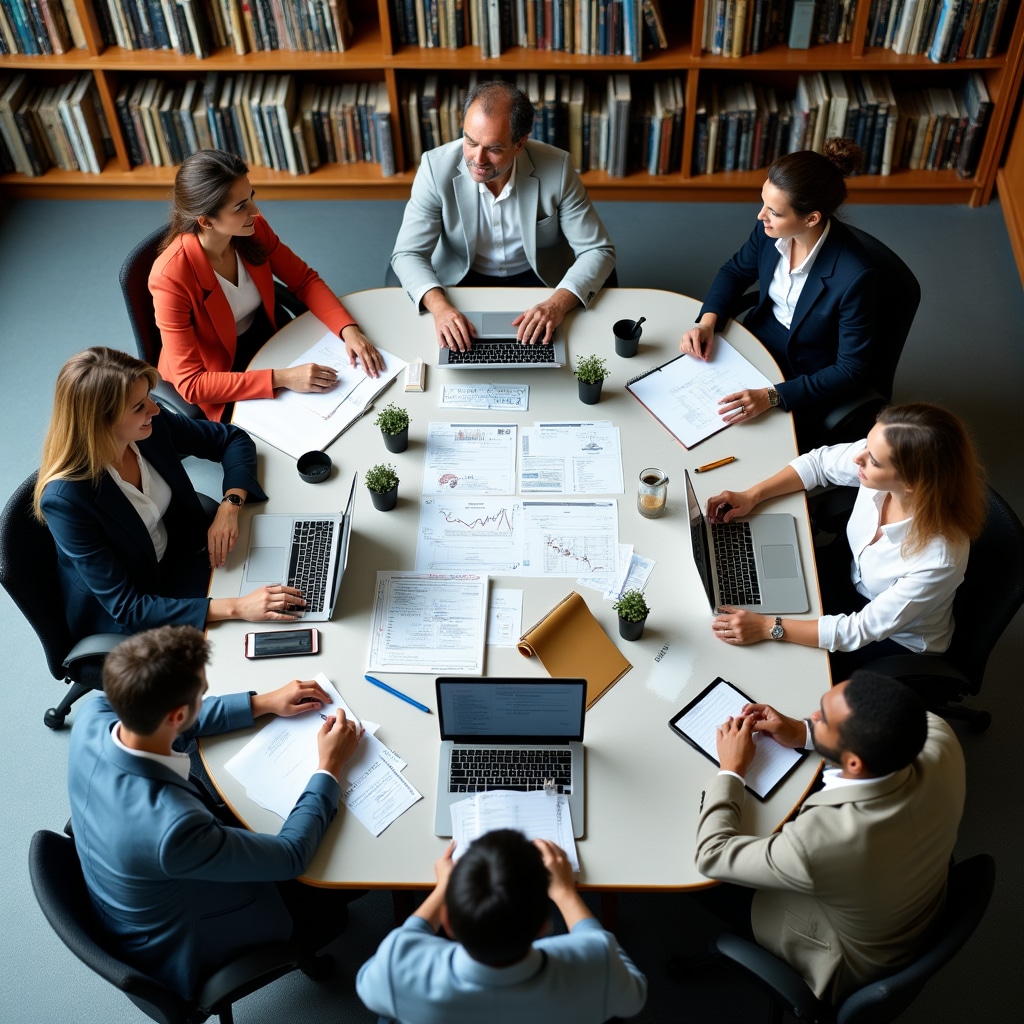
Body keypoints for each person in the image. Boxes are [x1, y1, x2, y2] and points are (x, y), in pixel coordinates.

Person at [68, 625, 364, 999]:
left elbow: (171, 720)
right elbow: (291, 857)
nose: (204, 698)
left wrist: (263, 702)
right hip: (197, 941)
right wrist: (329, 767)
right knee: (351, 874)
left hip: (133, 883)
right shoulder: (174, 828)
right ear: (178, 714)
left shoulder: (95, 714)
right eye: (201, 694)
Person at [690, 671, 965, 1005]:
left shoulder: (825, 840)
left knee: (702, 888)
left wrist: (732, 768)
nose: (814, 715)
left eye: (823, 720)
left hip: (848, 957)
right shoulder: (939, 735)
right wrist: (804, 732)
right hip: (912, 899)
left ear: (853, 761)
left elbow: (712, 855)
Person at [35, 347, 309, 641]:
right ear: (101, 422)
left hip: (181, 558)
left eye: (149, 397)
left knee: (293, 580)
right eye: (139, 406)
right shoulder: (67, 502)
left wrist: (230, 505)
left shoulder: (151, 426)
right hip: (133, 616)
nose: (154, 409)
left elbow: (231, 439)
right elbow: (128, 608)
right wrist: (238, 608)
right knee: (263, 633)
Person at [706, 403, 986, 678]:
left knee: (774, 669)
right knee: (747, 589)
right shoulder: (879, 455)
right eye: (867, 445)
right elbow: (818, 463)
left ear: (912, 482)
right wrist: (753, 495)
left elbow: (860, 630)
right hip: (848, 578)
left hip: (891, 641)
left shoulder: (938, 558)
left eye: (873, 460)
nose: (858, 458)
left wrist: (769, 627)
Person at [150, 149, 385, 422]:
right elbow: (192, 383)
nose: (255, 211)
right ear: (206, 221)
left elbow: (304, 280)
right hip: (220, 371)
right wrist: (283, 378)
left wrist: (349, 330)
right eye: (240, 207)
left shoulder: (254, 229)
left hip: (267, 334)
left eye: (251, 197)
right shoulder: (170, 277)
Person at [391, 80, 616, 351]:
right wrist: (441, 309)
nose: (477, 159)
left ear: (520, 144)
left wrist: (556, 304)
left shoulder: (558, 168)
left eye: (494, 149)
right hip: (461, 278)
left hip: (540, 279)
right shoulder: (433, 167)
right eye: (470, 142)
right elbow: (407, 254)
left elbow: (597, 251)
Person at [680, 139, 875, 447]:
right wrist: (708, 321)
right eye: (763, 203)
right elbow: (735, 271)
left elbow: (850, 370)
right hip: (758, 341)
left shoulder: (855, 276)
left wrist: (772, 396)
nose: (761, 216)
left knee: (737, 443)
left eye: (774, 211)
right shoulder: (770, 231)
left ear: (811, 218)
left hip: (807, 374)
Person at [356, 830, 647, 1024]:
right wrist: (565, 894)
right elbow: (634, 996)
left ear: (447, 924)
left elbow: (368, 987)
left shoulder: (398, 963)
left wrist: (443, 888)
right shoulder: (597, 963)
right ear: (545, 926)